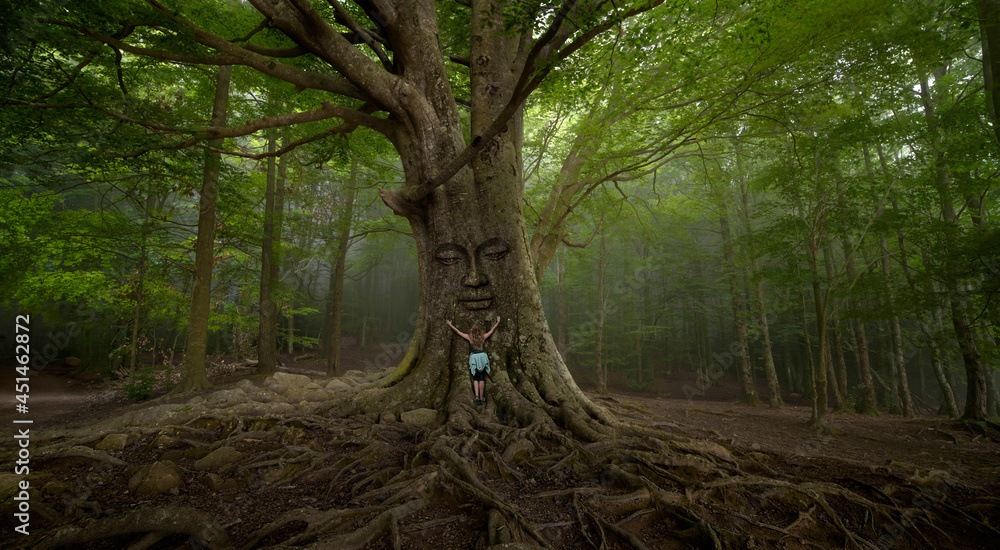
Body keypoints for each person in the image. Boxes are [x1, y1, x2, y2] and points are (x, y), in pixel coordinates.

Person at [447, 316, 500, 405]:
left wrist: (450, 324)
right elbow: (492, 331)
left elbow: (458, 332)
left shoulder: (469, 337)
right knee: (482, 377)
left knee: (476, 377)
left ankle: (476, 396)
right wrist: (497, 322)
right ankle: (481, 397)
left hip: (474, 358)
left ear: (472, 331)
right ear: (479, 331)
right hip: (482, 357)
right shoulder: (483, 337)